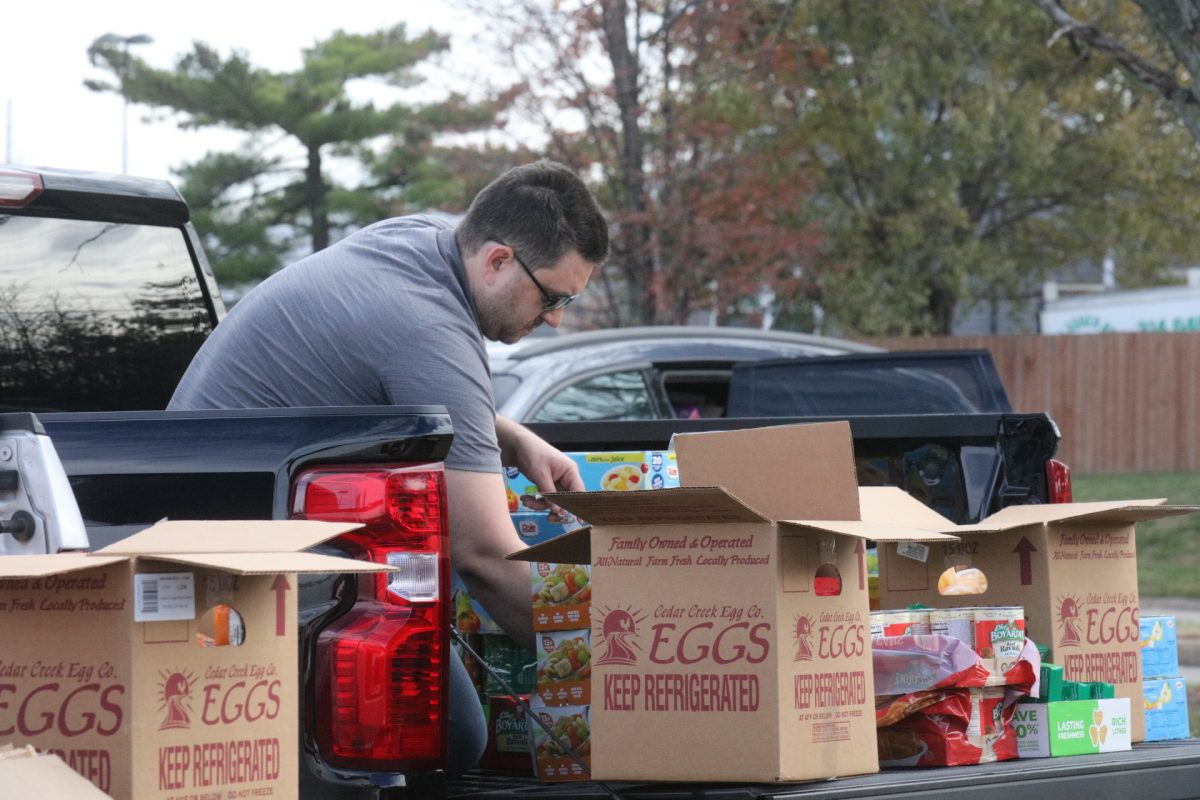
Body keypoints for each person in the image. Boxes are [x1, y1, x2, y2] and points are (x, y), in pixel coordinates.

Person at [168, 159, 610, 773]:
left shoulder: (425, 241)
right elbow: (486, 557)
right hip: (228, 557)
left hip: (235, 504)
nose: (557, 317)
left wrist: (506, 436)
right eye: (555, 296)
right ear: (498, 261)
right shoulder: (427, 326)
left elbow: (393, 378)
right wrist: (625, 655)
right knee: (450, 734)